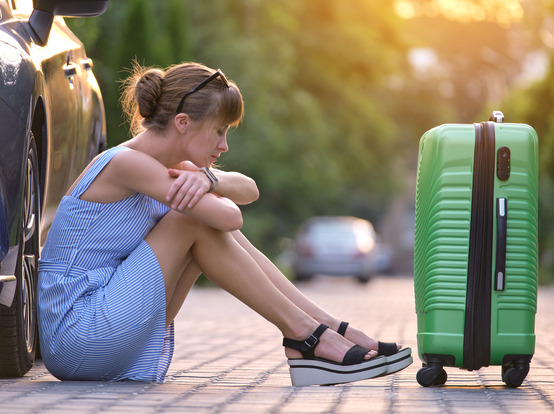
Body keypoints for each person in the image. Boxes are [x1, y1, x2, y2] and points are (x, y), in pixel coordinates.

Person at [37, 62, 412, 386]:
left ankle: (322, 327)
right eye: (219, 131)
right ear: (183, 123)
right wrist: (207, 182)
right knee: (194, 222)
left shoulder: (172, 170)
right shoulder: (127, 164)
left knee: (200, 223)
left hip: (107, 325)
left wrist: (210, 179)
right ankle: (305, 335)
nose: (224, 145)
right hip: (77, 333)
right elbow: (231, 215)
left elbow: (249, 189)